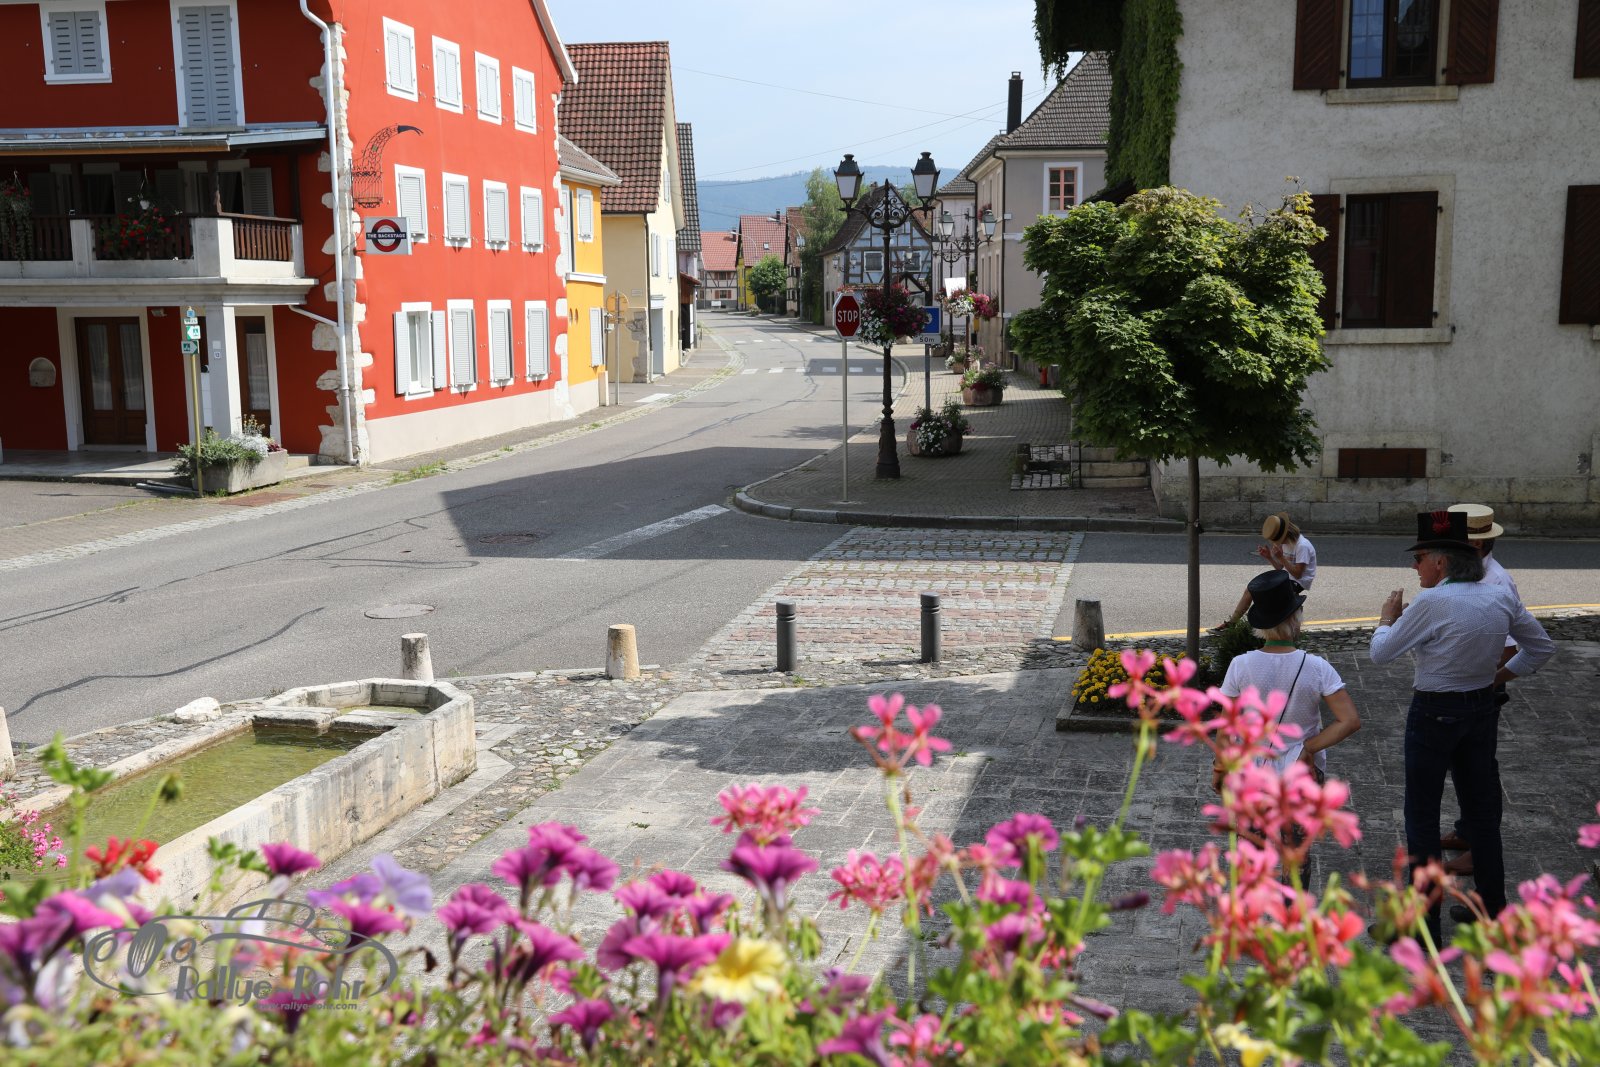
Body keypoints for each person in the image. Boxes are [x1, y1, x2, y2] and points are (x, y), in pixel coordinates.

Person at [1369, 510, 1555, 942]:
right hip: (1480, 710)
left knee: (1421, 818)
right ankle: (1491, 912)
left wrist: (1387, 619)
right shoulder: (1499, 595)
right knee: (1482, 816)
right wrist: (1493, 678)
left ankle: (1424, 926)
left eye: (1419, 558)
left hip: (1434, 713)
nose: (1414, 566)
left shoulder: (1434, 602)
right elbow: (1540, 648)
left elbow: (1381, 653)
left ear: (1442, 562)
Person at [1211, 570, 1361, 796]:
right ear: (1296, 618)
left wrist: (1219, 768)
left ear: (1260, 624)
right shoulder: (1318, 667)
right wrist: (1308, 748)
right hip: (1300, 771)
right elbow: (1350, 721)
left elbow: (1225, 728)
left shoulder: (1240, 665)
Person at [1436, 503, 1521, 878]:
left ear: (1474, 545)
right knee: (1464, 765)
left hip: (1479, 692)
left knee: (1480, 771)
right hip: (1460, 689)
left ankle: (1480, 850)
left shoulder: (1495, 583)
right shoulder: (1466, 574)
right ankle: (1468, 831)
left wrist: (1489, 681)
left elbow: (1511, 648)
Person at [1213, 513, 1318, 632]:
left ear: (1286, 535)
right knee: (1251, 590)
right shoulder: (1286, 543)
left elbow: (1298, 574)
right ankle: (1232, 623)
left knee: (1264, 596)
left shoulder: (1302, 546)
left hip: (1298, 582)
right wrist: (1269, 557)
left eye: (1278, 540)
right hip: (1287, 577)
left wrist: (1281, 557)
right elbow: (1281, 568)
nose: (1277, 543)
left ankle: (1260, 629)